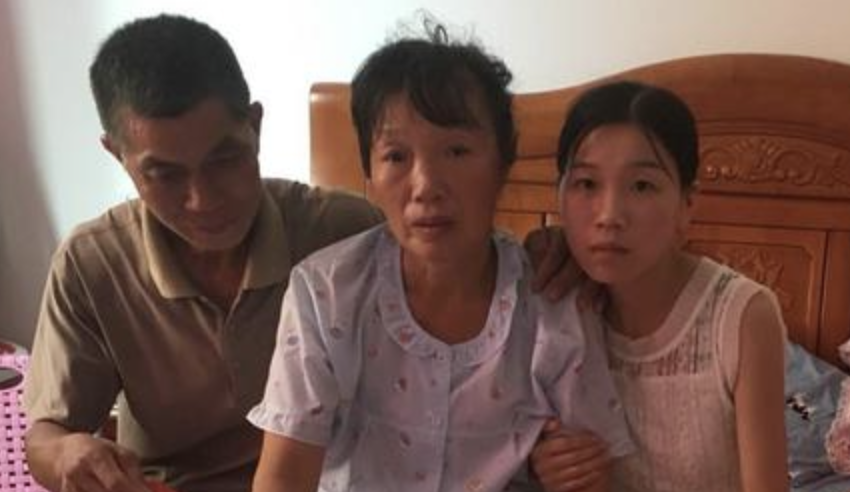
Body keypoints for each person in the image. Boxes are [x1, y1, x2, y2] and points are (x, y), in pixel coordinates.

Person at [22, 14, 575, 492]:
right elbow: (44, 435)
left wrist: (563, 250)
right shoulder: (91, 265)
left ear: (255, 127)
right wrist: (68, 452)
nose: (202, 199)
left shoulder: (343, 232)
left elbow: (446, 248)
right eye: (164, 174)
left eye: (224, 159)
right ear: (117, 155)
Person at [247, 23, 633, 492]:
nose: (426, 185)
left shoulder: (551, 300)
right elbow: (284, 475)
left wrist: (581, 469)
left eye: (457, 151)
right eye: (396, 157)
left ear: (503, 164)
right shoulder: (325, 293)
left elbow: (592, 468)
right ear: (369, 173)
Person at [531, 81, 788, 492]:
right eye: (587, 184)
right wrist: (543, 466)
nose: (609, 216)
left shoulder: (741, 317)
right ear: (558, 195)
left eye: (642, 186)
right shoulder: (551, 302)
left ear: (687, 205)